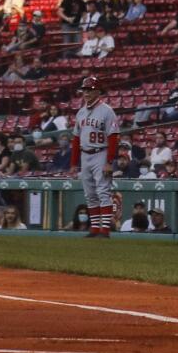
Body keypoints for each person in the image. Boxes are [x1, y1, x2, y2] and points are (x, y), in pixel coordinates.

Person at [69, 74, 119, 238]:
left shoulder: (107, 111)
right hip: (85, 154)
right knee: (90, 193)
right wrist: (73, 163)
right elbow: (76, 139)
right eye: (85, 90)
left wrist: (109, 161)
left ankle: (105, 229)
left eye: (90, 90)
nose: (87, 93)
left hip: (101, 153)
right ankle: (94, 228)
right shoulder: (81, 112)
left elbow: (113, 137)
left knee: (103, 191)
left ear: (98, 91)